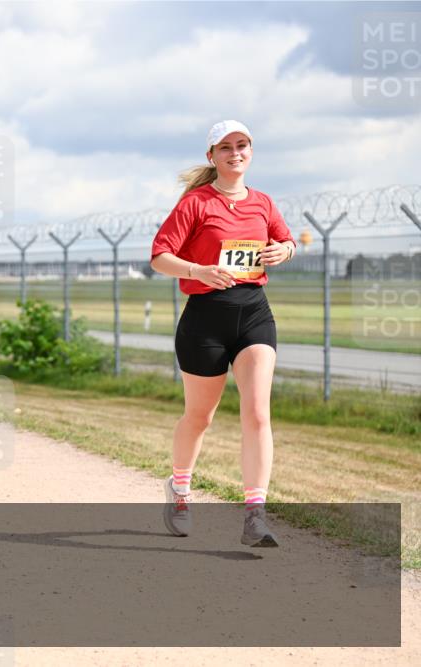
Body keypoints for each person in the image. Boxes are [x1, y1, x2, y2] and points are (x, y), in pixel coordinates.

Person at [150, 120, 296, 547]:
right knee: (200, 417)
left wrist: (284, 250)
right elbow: (159, 256)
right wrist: (199, 271)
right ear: (211, 156)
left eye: (243, 145)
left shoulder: (263, 203)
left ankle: (255, 515)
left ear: (251, 151)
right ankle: (179, 489)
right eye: (226, 147)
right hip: (205, 320)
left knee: (258, 413)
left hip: (254, 313)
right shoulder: (196, 203)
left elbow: (287, 242)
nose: (236, 153)